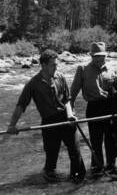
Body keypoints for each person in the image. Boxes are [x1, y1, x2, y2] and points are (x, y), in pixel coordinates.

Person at [7, 49, 86, 183]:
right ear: (43, 65)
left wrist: (70, 114)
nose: (56, 67)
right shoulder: (33, 84)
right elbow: (21, 105)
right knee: (51, 156)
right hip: (49, 123)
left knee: (75, 152)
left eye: (56, 64)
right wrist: (12, 125)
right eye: (53, 65)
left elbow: (67, 99)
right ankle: (50, 184)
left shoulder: (60, 77)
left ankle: (77, 180)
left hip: (67, 119)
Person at [70, 42, 117, 176]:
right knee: (96, 140)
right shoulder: (82, 69)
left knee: (110, 138)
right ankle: (97, 167)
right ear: (92, 56)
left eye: (102, 56)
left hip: (110, 107)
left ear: (105, 55)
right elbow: (74, 90)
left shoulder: (111, 69)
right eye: (97, 56)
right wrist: (71, 110)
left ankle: (111, 165)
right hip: (93, 107)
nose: (100, 59)